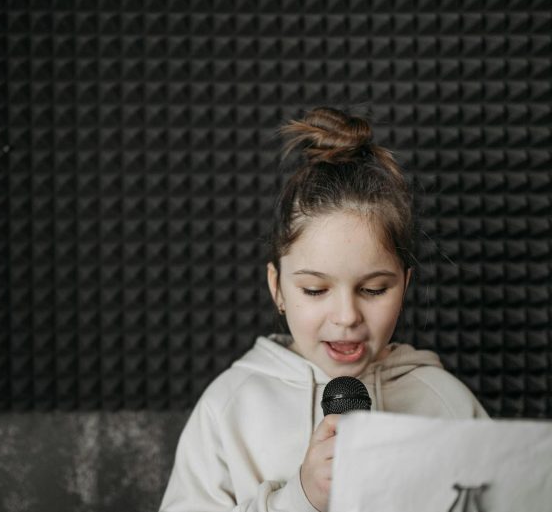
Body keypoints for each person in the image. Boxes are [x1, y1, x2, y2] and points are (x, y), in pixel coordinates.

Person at [158, 107, 488, 512]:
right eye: (315, 290)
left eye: (373, 289)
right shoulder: (229, 410)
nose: (347, 315)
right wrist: (301, 497)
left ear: (405, 286)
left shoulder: (447, 403)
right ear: (277, 287)